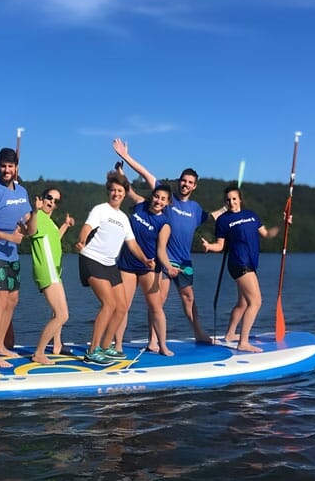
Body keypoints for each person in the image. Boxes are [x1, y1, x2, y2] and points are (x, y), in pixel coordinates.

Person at [113, 138, 223, 345]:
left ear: (194, 186)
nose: (186, 184)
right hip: (163, 259)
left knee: (189, 298)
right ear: (179, 181)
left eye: (190, 182)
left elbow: (213, 217)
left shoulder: (196, 209)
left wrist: (229, 208)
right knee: (158, 301)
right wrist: (125, 157)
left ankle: (199, 333)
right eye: (184, 180)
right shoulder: (165, 198)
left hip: (184, 261)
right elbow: (145, 174)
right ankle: (153, 340)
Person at [76, 170, 155, 365]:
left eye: (120, 191)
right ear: (109, 191)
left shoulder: (124, 219)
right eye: (113, 190)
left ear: (124, 193)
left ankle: (105, 346)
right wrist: (81, 240)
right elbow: (87, 228)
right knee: (109, 304)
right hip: (92, 259)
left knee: (121, 307)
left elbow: (132, 244)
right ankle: (92, 351)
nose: (116, 194)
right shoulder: (100, 210)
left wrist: (145, 260)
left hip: (110, 264)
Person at [201, 184, 283, 353]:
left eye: (234, 199)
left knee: (243, 302)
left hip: (250, 263)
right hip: (239, 263)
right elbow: (220, 246)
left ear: (240, 200)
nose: (231, 202)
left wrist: (283, 224)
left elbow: (267, 234)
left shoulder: (251, 215)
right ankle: (243, 342)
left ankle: (230, 334)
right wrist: (209, 246)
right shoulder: (223, 220)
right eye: (228, 200)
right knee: (256, 302)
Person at [0, 148, 37, 368]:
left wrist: (34, 215)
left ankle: (1, 346)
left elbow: (29, 229)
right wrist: (8, 236)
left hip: (12, 255)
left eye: (10, 166)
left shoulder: (22, 192)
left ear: (16, 168)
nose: (6, 170)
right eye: (3, 166)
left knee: (13, 301)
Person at [115, 171, 177, 357]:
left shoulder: (164, 224)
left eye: (163, 199)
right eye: (157, 196)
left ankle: (162, 345)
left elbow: (161, 251)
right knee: (122, 306)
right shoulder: (140, 205)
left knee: (155, 307)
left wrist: (168, 267)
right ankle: (117, 345)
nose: (158, 200)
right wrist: (121, 173)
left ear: (167, 203)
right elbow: (128, 190)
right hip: (127, 264)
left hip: (149, 267)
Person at [29, 188, 76, 364]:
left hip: (55, 271)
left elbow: (54, 238)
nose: (52, 202)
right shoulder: (38, 217)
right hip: (47, 271)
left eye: (56, 201)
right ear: (41, 199)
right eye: (49, 198)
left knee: (57, 311)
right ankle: (39, 352)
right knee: (62, 315)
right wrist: (34, 211)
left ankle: (57, 345)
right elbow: (31, 231)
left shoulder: (48, 221)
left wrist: (65, 225)